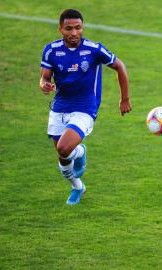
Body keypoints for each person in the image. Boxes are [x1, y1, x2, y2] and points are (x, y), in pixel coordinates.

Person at [39, 9, 131, 205]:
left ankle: (79, 153)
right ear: (60, 29)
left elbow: (120, 66)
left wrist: (124, 99)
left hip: (85, 107)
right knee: (63, 157)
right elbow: (44, 76)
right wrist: (43, 84)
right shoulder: (51, 50)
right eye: (69, 29)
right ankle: (77, 186)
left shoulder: (93, 49)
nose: (74, 33)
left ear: (83, 27)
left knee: (64, 148)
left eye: (78, 28)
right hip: (60, 106)